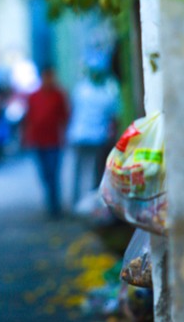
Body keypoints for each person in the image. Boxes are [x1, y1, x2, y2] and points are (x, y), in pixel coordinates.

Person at [65, 49, 120, 208]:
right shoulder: (107, 94)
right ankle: (95, 205)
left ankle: (77, 203)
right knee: (96, 174)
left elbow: (72, 110)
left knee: (79, 172)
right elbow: (114, 118)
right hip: (98, 138)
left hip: (79, 136)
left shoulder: (80, 90)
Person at [21, 65, 70, 215]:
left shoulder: (58, 95)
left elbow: (65, 117)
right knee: (44, 174)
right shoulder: (33, 96)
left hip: (54, 141)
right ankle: (51, 202)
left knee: (53, 172)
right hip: (38, 141)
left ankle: (55, 206)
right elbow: (28, 118)